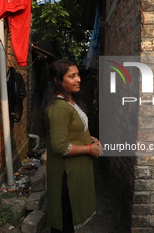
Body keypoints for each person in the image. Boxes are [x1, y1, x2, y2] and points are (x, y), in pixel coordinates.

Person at [40, 59, 103, 233]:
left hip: (74, 172)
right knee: (64, 222)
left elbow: (73, 129)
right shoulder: (59, 107)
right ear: (57, 80)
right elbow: (60, 146)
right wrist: (91, 149)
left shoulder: (70, 101)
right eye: (71, 76)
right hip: (65, 176)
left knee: (69, 219)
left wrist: (89, 138)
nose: (78, 79)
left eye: (78, 75)